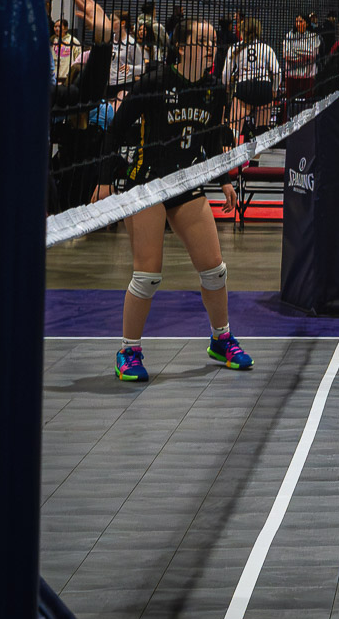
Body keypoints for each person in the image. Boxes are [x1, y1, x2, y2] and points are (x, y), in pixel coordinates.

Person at [102, 19, 254, 382]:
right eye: (203, 41)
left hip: (186, 183)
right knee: (147, 276)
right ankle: (128, 351)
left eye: (214, 42)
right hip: (148, 185)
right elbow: (115, 130)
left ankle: (221, 340)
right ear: (182, 47)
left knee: (215, 270)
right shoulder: (154, 82)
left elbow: (211, 140)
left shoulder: (214, 90)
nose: (211, 47)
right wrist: (104, 181)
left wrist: (224, 181)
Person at [279, 13, 320, 105]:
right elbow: (286, 54)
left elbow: (313, 54)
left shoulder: (313, 36)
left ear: (307, 23)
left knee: (307, 103)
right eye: (296, 21)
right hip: (292, 75)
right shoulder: (289, 35)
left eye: (301, 21)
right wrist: (304, 55)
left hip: (308, 75)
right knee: (290, 102)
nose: (298, 24)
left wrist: (296, 51)